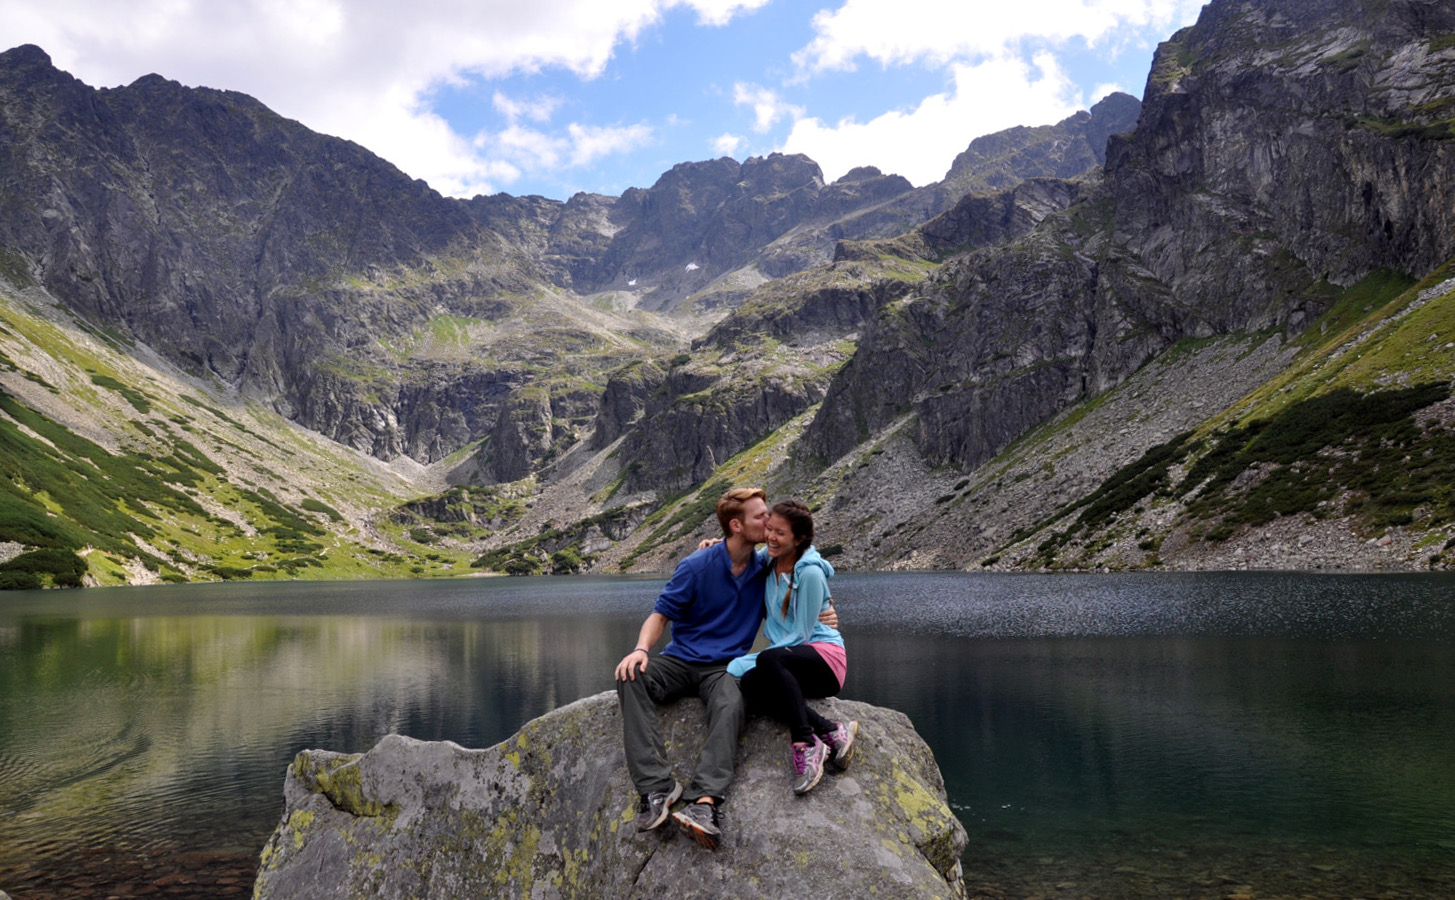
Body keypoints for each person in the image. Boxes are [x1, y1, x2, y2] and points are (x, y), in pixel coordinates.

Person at [614, 487, 838, 851]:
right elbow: (660, 614)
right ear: (736, 525)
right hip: (679, 661)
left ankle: (705, 803)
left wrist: (824, 611)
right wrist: (640, 650)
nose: (769, 522)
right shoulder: (696, 565)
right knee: (629, 676)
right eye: (761, 517)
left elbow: (805, 569)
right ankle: (656, 789)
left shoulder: (764, 566)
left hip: (726, 668)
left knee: (732, 706)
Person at [728, 499, 857, 796]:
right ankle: (830, 729)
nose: (771, 537)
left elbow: (800, 636)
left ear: (799, 539)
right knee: (749, 683)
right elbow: (734, 557)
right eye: (769, 529)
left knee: (763, 663)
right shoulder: (769, 560)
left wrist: (749, 660)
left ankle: (807, 743)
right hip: (789, 661)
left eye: (780, 533)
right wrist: (712, 546)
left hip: (825, 660)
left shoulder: (809, 573)